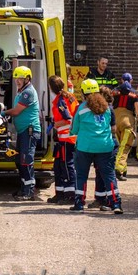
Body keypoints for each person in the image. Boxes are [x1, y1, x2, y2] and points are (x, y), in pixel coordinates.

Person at [69, 79, 123, 214]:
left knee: (81, 176)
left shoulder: (81, 109)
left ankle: (79, 204)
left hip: (85, 147)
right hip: (105, 147)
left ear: (83, 93)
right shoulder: (107, 108)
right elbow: (112, 129)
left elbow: (74, 130)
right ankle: (116, 203)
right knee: (109, 175)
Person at [4, 66, 42, 201]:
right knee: (19, 161)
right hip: (23, 131)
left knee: (26, 161)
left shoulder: (28, 93)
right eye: (16, 78)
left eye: (20, 78)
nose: (17, 81)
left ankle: (29, 191)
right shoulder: (22, 92)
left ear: (27, 79)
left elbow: (16, 111)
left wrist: (3, 112)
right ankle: (24, 188)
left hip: (29, 131)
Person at [46, 75, 79, 204]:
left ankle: (70, 195)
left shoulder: (61, 100)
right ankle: (60, 193)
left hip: (66, 138)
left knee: (66, 166)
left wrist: (55, 124)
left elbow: (68, 118)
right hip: (65, 138)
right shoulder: (69, 97)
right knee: (58, 166)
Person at [88, 86, 118, 209]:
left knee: (106, 174)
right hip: (105, 145)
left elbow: (113, 129)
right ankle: (100, 199)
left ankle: (110, 201)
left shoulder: (107, 110)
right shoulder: (107, 110)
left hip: (107, 145)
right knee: (100, 173)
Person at [113, 73, 138, 181]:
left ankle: (124, 170)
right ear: (131, 81)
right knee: (124, 147)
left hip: (115, 123)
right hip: (127, 123)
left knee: (117, 146)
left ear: (121, 80)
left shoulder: (114, 92)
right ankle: (119, 168)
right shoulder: (135, 94)